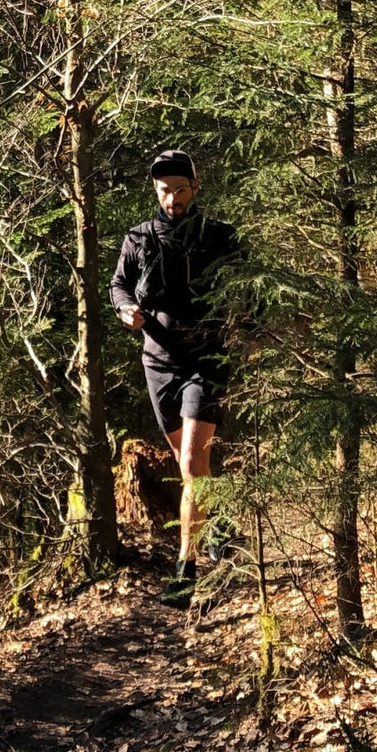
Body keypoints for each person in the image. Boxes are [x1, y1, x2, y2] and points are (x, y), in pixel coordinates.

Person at [109, 149, 243, 607]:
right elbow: (118, 284)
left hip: (207, 359)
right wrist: (125, 308)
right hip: (158, 361)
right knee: (194, 468)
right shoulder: (139, 237)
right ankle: (220, 523)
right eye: (165, 190)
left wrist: (254, 329)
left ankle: (185, 573)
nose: (173, 198)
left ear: (195, 186)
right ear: (156, 191)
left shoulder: (220, 236)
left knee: (189, 464)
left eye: (180, 189)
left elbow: (247, 286)